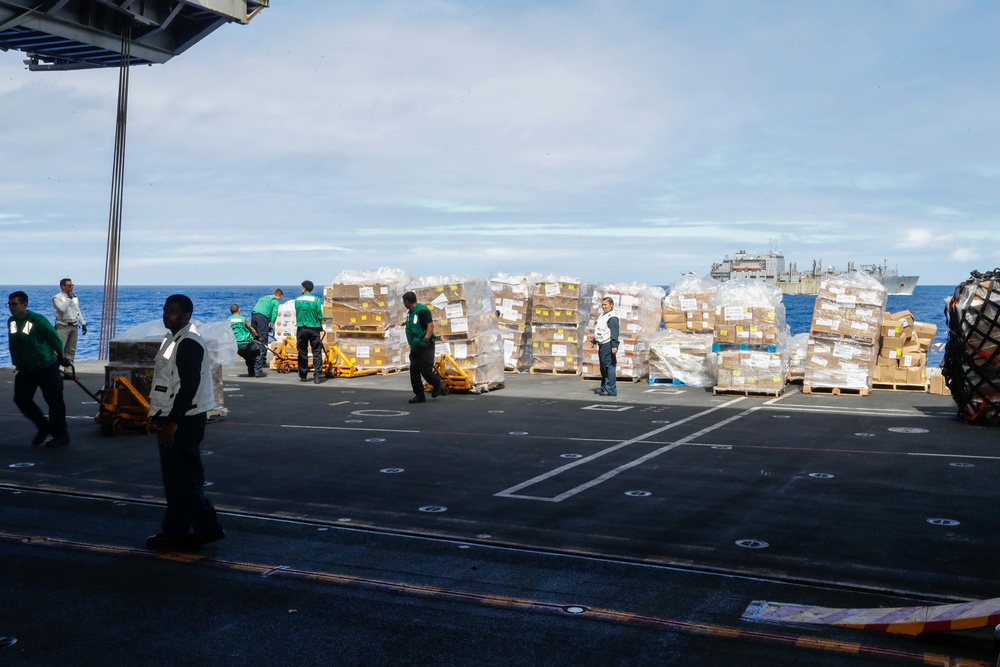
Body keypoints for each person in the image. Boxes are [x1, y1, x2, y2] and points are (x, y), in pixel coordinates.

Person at [144, 294, 225, 550]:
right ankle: (181, 531)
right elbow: (166, 381)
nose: (167, 315)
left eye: (173, 311)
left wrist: (172, 422)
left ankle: (204, 528)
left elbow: (188, 386)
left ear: (187, 315)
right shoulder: (172, 339)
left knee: (184, 480)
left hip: (185, 420)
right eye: (166, 310)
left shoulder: (188, 343)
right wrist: (155, 416)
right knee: (177, 480)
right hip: (172, 416)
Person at [7, 291, 71, 448]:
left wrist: (62, 357)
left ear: (25, 304)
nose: (11, 307)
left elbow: (55, 340)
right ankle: (44, 426)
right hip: (26, 368)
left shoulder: (38, 321)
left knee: (54, 401)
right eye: (9, 304)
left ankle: (61, 435)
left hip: (46, 366)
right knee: (21, 398)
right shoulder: (12, 321)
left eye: (14, 304)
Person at [402, 291, 445, 404]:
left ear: (407, 301)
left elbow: (430, 325)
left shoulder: (422, 311)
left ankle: (437, 383)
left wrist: (425, 339)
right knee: (414, 371)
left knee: (425, 370)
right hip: (416, 347)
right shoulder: (410, 313)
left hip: (426, 345)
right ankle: (419, 395)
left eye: (403, 302)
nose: (403, 304)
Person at [294, 281, 324, 384]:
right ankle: (317, 376)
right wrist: (320, 325)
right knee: (316, 352)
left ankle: (303, 375)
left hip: (301, 327)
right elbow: (320, 315)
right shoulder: (316, 300)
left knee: (302, 351)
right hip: (314, 328)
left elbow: (297, 312)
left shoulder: (297, 300)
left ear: (303, 288)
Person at [52, 278, 87, 364]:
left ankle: (69, 371)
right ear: (63, 286)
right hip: (63, 326)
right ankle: (55, 370)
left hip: (74, 325)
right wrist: (68, 299)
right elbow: (62, 309)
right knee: (59, 349)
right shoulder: (57, 298)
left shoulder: (74, 297)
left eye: (72, 285)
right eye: (69, 285)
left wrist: (83, 323)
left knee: (71, 350)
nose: (71, 287)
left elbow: (77, 310)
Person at [591, 296, 620, 397]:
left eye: (605, 305)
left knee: (609, 367)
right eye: (602, 305)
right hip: (601, 344)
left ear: (611, 305)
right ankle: (604, 387)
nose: (603, 306)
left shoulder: (613, 317)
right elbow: (600, 330)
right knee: (603, 367)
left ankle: (611, 389)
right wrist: (594, 341)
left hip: (608, 344)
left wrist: (614, 345)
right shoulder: (603, 315)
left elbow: (614, 332)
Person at [250, 288, 283, 376]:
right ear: (279, 295)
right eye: (280, 298)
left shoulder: (263, 297)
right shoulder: (275, 301)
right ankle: (262, 361)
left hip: (254, 315)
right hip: (262, 317)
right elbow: (274, 313)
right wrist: (271, 325)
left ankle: (253, 358)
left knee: (255, 338)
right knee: (263, 338)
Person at [229, 304, 262, 377]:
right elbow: (252, 329)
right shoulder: (243, 319)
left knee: (248, 357)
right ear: (239, 310)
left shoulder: (228, 320)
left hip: (236, 345)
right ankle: (258, 371)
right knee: (258, 352)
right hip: (245, 343)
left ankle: (251, 372)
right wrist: (256, 336)